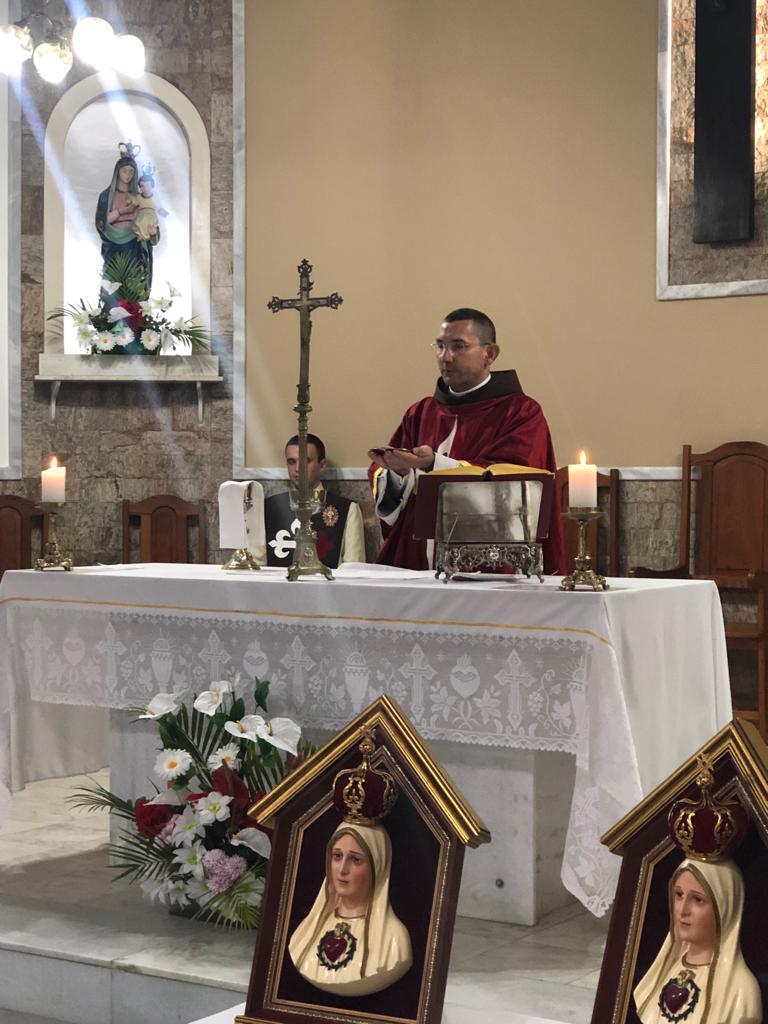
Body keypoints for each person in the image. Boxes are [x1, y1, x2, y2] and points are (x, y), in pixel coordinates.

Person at [367, 308, 565, 573]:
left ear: (490, 354)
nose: (446, 357)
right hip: (417, 560)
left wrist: (433, 464)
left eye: (458, 346)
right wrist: (400, 473)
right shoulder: (421, 412)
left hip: (492, 562)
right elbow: (385, 480)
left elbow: (513, 481)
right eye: (440, 346)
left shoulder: (520, 412)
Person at [288, 821, 412, 997]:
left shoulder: (394, 940)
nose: (342, 869)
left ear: (378, 866)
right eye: (337, 856)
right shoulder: (305, 932)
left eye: (356, 859)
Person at [633, 858, 761, 1024]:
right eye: (679, 895)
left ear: (724, 908)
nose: (682, 910)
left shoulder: (741, 990)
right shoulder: (664, 972)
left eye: (698, 899)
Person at [264, 434, 366, 568]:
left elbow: (354, 569)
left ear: (322, 465)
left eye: (305, 461)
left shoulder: (346, 509)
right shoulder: (268, 508)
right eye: (291, 462)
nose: (297, 469)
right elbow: (255, 566)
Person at [95, 154, 160, 303]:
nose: (128, 175)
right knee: (112, 285)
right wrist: (121, 211)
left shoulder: (140, 197)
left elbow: (151, 221)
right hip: (113, 247)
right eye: (124, 171)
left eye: (132, 171)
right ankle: (110, 315)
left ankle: (135, 315)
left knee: (135, 286)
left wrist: (153, 233)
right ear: (117, 171)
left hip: (135, 245)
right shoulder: (106, 196)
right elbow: (101, 223)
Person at [131, 173, 167, 243]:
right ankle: (141, 235)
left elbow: (159, 208)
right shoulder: (139, 197)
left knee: (150, 227)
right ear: (140, 187)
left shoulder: (155, 198)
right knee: (139, 225)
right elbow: (134, 202)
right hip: (142, 215)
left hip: (151, 216)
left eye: (147, 185)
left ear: (152, 185)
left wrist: (164, 213)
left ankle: (147, 236)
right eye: (142, 186)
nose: (145, 188)